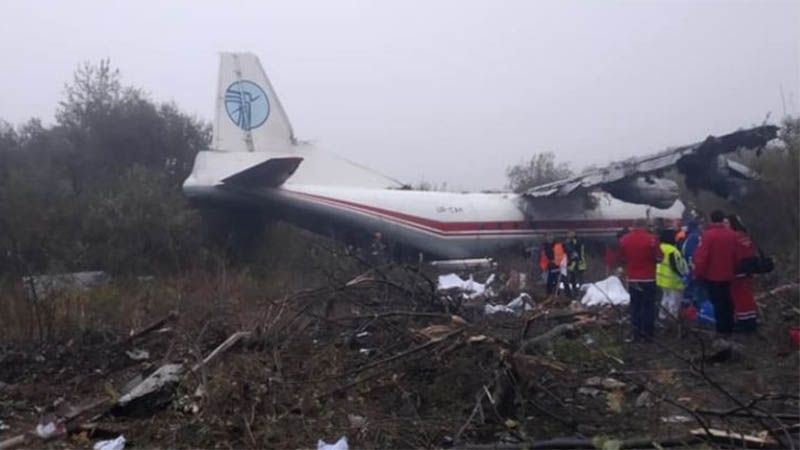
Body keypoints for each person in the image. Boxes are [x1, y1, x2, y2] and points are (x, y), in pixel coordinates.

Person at [693, 210, 738, 337]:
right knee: (728, 302)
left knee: (718, 304)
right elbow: (736, 256)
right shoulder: (732, 234)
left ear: (711, 220)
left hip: (712, 275)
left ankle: (722, 330)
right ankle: (729, 327)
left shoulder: (708, 235)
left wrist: (697, 273)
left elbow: (701, 257)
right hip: (728, 274)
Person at [619, 220, 663, 341]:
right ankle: (648, 334)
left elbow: (622, 257)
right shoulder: (652, 239)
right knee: (648, 306)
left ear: (633, 226)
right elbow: (659, 257)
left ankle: (636, 333)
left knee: (635, 306)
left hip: (633, 278)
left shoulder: (625, 239)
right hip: (648, 278)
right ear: (644, 226)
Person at [727, 215, 757, 332]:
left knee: (739, 298)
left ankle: (744, 323)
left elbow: (732, 254)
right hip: (748, 269)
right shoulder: (745, 235)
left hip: (737, 270)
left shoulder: (734, 237)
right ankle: (751, 320)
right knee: (747, 297)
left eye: (727, 223)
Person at [656, 229, 688, 320]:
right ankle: (672, 319)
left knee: (665, 298)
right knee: (674, 301)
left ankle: (662, 316)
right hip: (673, 280)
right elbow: (678, 266)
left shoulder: (659, 248)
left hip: (661, 279)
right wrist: (684, 275)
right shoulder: (672, 250)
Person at [564, 230, 587, 298]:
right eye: (568, 234)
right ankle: (575, 294)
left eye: (571, 233)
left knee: (579, 280)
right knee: (572, 280)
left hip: (578, 264)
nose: (569, 235)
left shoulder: (577, 241)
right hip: (573, 265)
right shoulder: (569, 242)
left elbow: (574, 250)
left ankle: (580, 294)